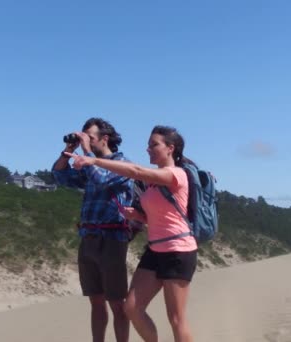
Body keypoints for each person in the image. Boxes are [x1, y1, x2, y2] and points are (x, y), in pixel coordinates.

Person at [66, 125, 197, 342]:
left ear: (170, 148)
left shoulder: (176, 175)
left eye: (154, 144)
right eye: (148, 145)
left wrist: (93, 159)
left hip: (178, 251)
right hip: (155, 250)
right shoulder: (153, 184)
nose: (148, 149)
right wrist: (138, 216)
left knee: (176, 319)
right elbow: (158, 217)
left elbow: (135, 171)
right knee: (132, 307)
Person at [52, 117, 134, 342]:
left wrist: (86, 153)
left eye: (90, 137)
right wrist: (68, 151)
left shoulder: (121, 163)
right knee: (95, 301)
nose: (85, 140)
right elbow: (59, 175)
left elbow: (102, 179)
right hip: (88, 238)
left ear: (104, 139)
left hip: (112, 239)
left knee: (117, 302)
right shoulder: (88, 164)